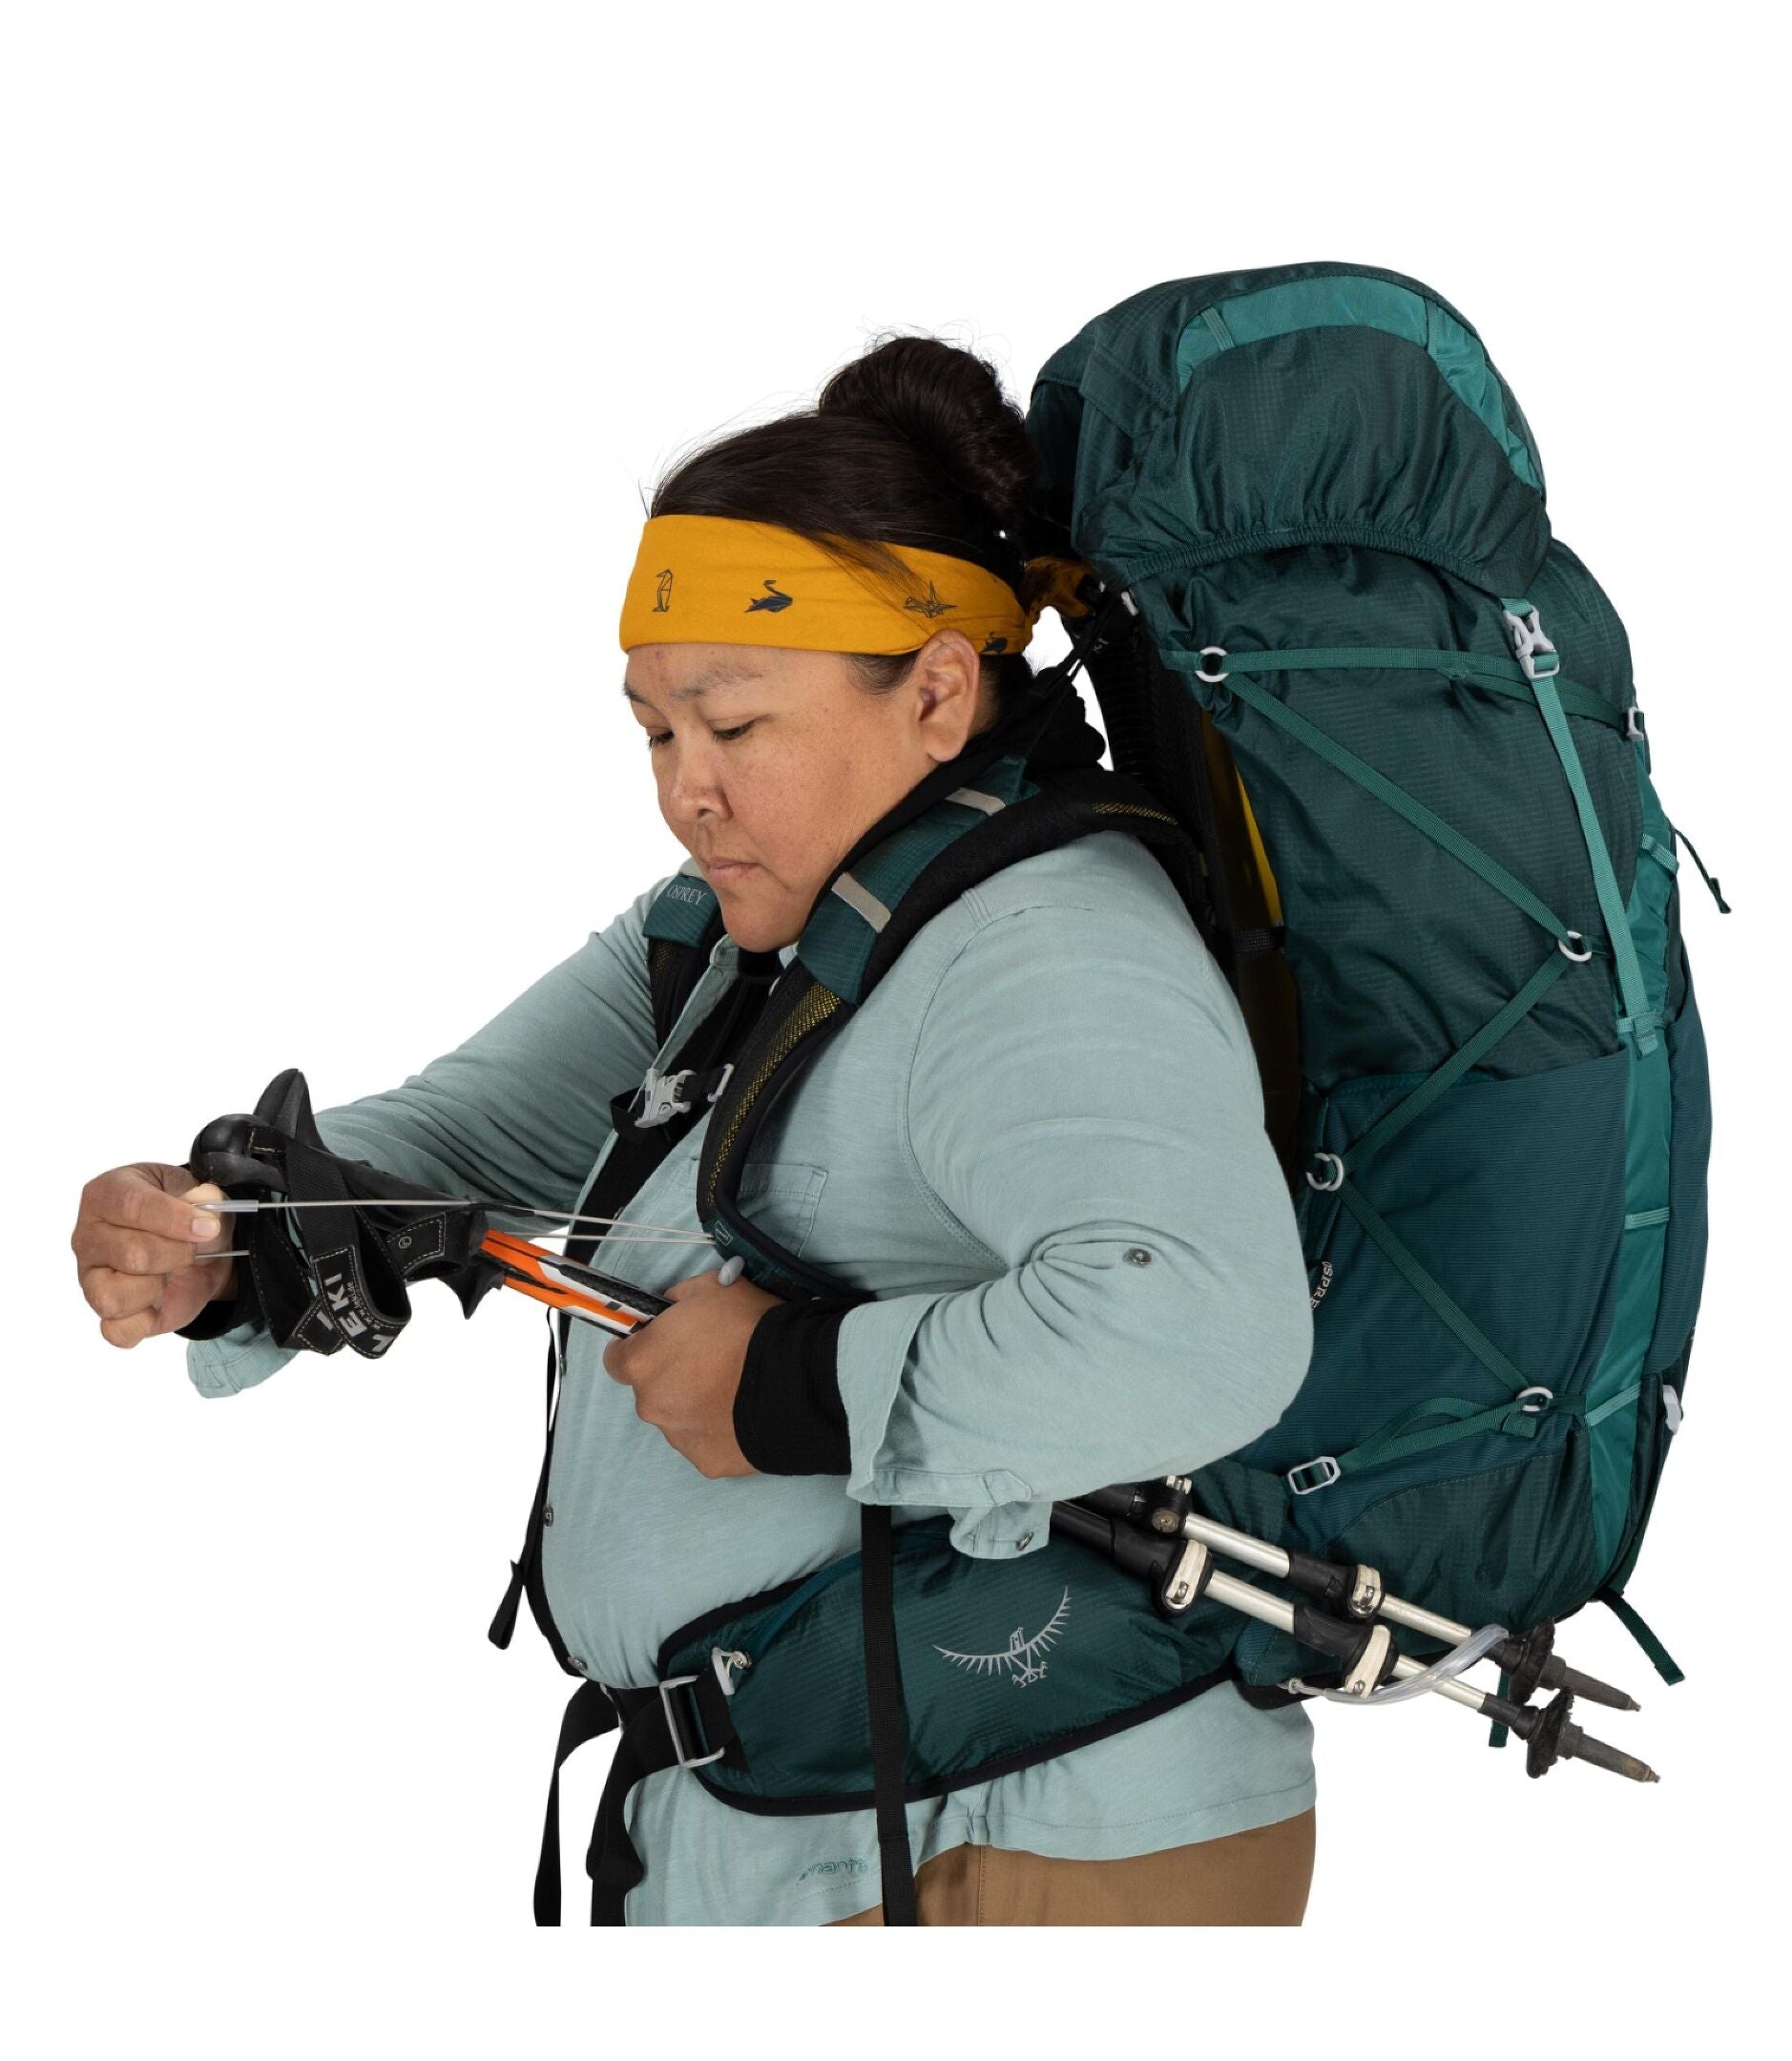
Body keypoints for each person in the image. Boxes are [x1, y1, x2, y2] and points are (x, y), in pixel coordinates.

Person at [71, 335, 1318, 1926]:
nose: (685, 792)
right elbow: (477, 1131)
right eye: (657, 732)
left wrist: (793, 1384)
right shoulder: (753, 931)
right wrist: (230, 1233)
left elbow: (1200, 1331)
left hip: (1014, 1834)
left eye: (733, 726)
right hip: (811, 1818)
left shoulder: (1042, 945)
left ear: (938, 693)